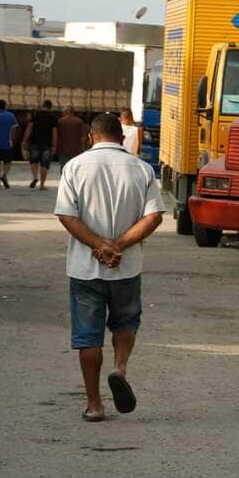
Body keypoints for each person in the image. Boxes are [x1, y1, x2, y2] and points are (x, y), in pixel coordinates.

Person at [55, 112, 165, 422]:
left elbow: (67, 215)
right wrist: (119, 246)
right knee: (126, 321)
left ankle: (94, 405)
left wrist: (99, 245)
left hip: (85, 269)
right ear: (121, 137)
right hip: (126, 266)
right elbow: (154, 216)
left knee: (88, 337)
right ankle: (119, 368)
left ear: (91, 137)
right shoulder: (142, 169)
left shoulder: (74, 167)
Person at [24, 100, 58, 190]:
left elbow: (29, 128)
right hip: (47, 144)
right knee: (44, 164)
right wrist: (54, 145)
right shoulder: (53, 117)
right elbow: (54, 132)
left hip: (35, 142)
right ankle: (42, 185)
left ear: (42, 105)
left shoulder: (35, 115)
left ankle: (35, 176)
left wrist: (25, 140)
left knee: (33, 161)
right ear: (50, 107)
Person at [56, 106, 88, 171]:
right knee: (75, 168)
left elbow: (57, 135)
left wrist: (56, 147)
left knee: (64, 167)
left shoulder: (61, 121)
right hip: (76, 149)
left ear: (67, 112)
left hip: (63, 149)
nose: (62, 114)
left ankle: (64, 180)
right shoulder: (79, 122)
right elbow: (83, 136)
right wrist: (83, 148)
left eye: (63, 112)